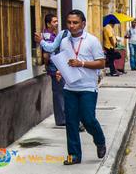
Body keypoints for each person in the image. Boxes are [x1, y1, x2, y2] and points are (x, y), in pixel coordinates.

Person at [39, 10, 106, 165]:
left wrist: (81, 63)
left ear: (83, 23)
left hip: (88, 87)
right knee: (71, 122)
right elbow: (64, 61)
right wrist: (59, 72)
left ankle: (100, 140)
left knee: (88, 119)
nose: (72, 25)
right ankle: (74, 155)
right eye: (69, 22)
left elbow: (101, 63)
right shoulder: (64, 41)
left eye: (75, 22)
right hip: (70, 88)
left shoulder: (92, 41)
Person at [42, 13, 66, 126]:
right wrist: (48, 66)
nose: (56, 23)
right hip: (54, 66)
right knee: (59, 93)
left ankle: (62, 117)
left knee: (59, 92)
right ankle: (61, 119)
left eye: (57, 21)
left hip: (55, 66)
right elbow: (47, 54)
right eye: (54, 22)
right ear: (48, 23)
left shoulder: (53, 34)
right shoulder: (48, 36)